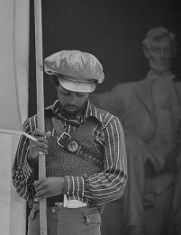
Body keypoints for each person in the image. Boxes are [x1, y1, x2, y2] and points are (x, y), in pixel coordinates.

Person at [12, 50, 127, 235]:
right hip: (40, 220)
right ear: (55, 83)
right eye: (66, 93)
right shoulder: (35, 123)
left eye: (80, 95)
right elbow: (22, 190)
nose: (72, 100)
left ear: (91, 90)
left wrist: (65, 184)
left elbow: (116, 183)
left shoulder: (107, 125)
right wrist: (30, 158)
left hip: (83, 221)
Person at [91, 26, 181, 235]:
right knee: (130, 143)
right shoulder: (128, 91)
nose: (163, 55)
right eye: (158, 50)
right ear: (147, 51)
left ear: (173, 51)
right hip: (143, 157)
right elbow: (97, 101)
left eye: (167, 50)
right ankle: (135, 225)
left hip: (174, 155)